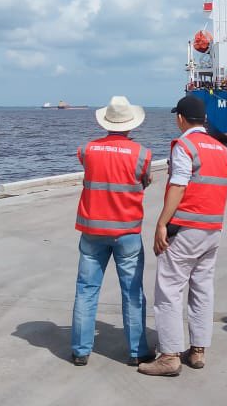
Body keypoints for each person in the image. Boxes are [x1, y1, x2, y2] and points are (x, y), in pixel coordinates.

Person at [138, 95, 227, 377]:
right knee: (202, 289)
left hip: (185, 227)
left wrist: (161, 223)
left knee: (169, 290)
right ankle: (198, 350)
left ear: (180, 118)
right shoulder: (220, 149)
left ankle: (169, 356)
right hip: (212, 229)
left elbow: (178, 185)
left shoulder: (184, 146)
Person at [71, 96, 153, 366]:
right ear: (131, 124)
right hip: (127, 230)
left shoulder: (87, 150)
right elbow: (143, 180)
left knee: (86, 289)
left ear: (106, 122)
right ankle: (137, 352)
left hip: (92, 229)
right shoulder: (142, 154)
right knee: (131, 292)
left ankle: (80, 351)